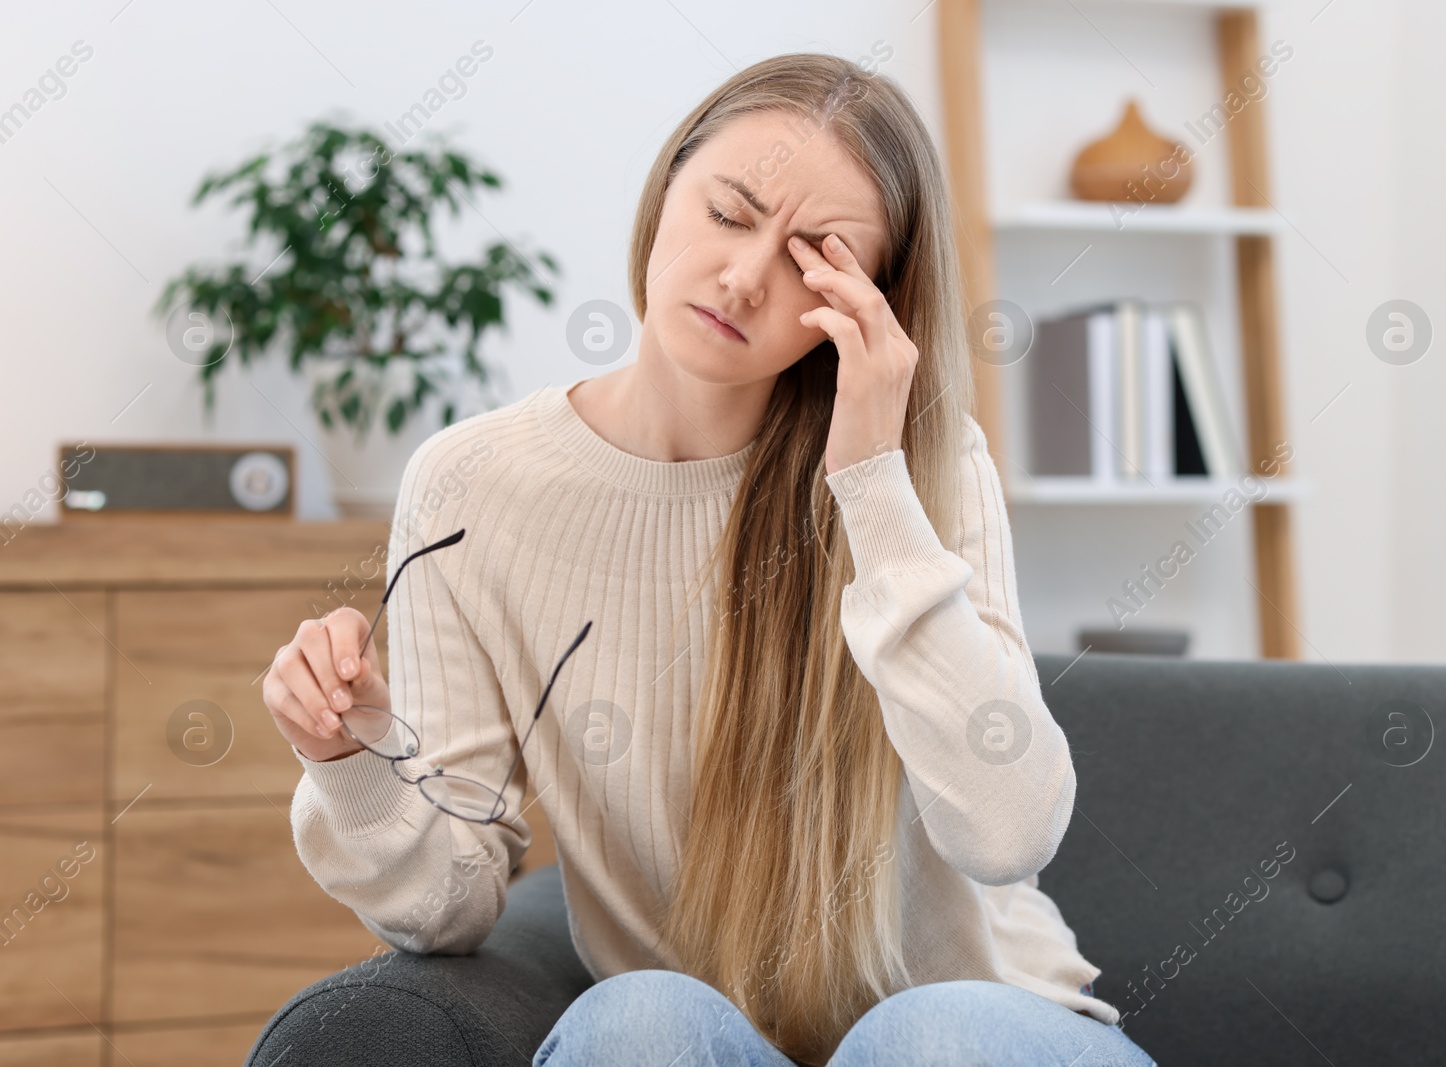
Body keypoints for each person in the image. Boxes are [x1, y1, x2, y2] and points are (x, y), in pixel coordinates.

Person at [262, 51, 1157, 1067]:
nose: (742, 276)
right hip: (702, 1042)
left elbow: (1010, 833)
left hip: (983, 1029)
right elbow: (446, 909)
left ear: (867, 302)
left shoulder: (926, 467)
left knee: (927, 1034)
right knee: (640, 1018)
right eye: (729, 214)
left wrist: (871, 480)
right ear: (667, 184)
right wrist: (353, 760)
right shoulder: (471, 485)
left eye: (811, 258)